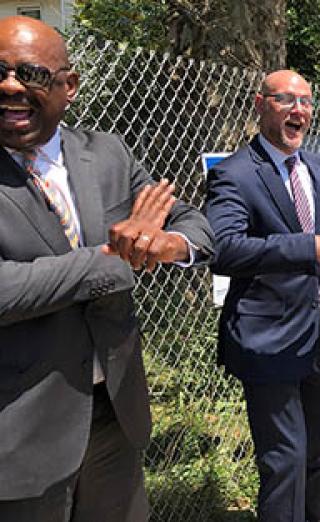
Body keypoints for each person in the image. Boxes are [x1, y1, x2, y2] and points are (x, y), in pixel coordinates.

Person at [0, 15, 214, 521]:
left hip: (114, 415)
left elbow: (193, 224)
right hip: (20, 427)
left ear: (69, 86)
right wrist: (110, 260)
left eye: (30, 73)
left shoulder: (107, 152)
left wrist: (167, 243)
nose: (9, 85)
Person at [204, 70, 320, 522]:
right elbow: (224, 248)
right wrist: (309, 247)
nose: (299, 109)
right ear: (260, 103)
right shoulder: (235, 173)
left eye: (306, 101)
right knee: (284, 458)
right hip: (267, 338)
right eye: (286, 99)